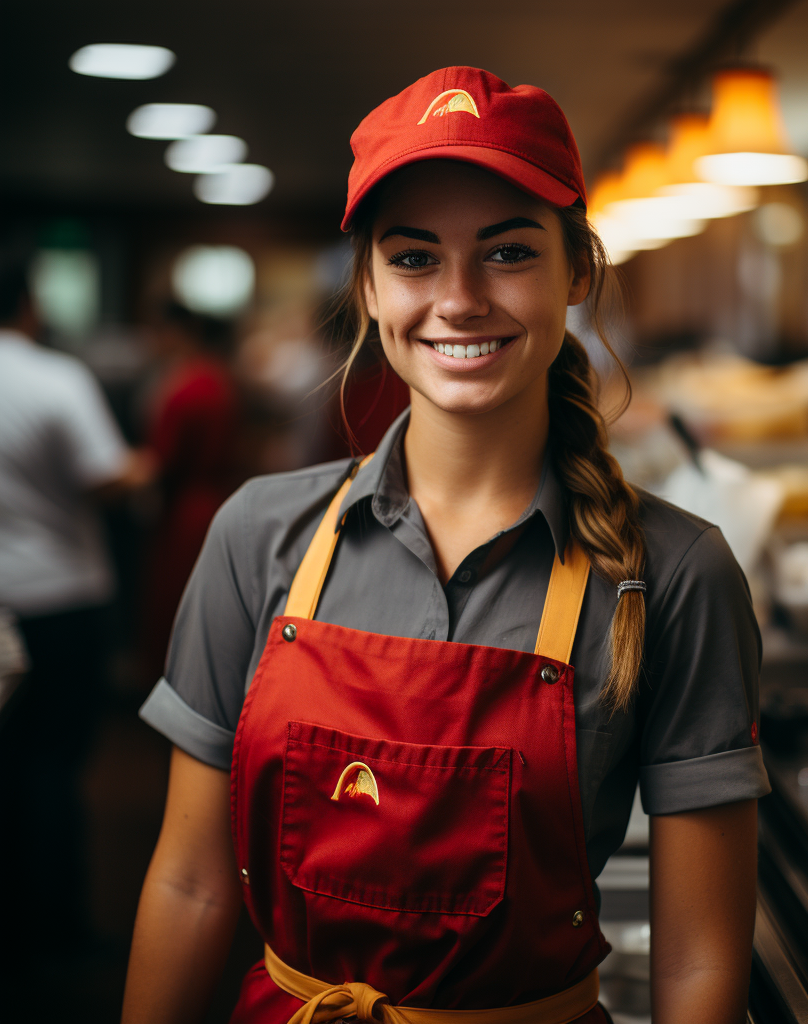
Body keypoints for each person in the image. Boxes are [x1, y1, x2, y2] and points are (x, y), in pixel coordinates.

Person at [124, 67, 768, 1024]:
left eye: (508, 253)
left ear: (578, 271)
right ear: (371, 286)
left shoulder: (672, 574)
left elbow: (699, 963)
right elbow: (190, 886)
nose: (459, 300)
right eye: (415, 258)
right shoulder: (257, 537)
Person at [0, 263, 153, 995]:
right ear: (27, 304)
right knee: (53, 767)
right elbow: (103, 475)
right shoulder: (53, 378)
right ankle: (55, 932)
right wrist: (145, 465)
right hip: (58, 596)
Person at [140, 302, 240, 681]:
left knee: (176, 607)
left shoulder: (185, 387)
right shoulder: (217, 377)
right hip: (214, 499)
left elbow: (164, 460)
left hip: (184, 511)